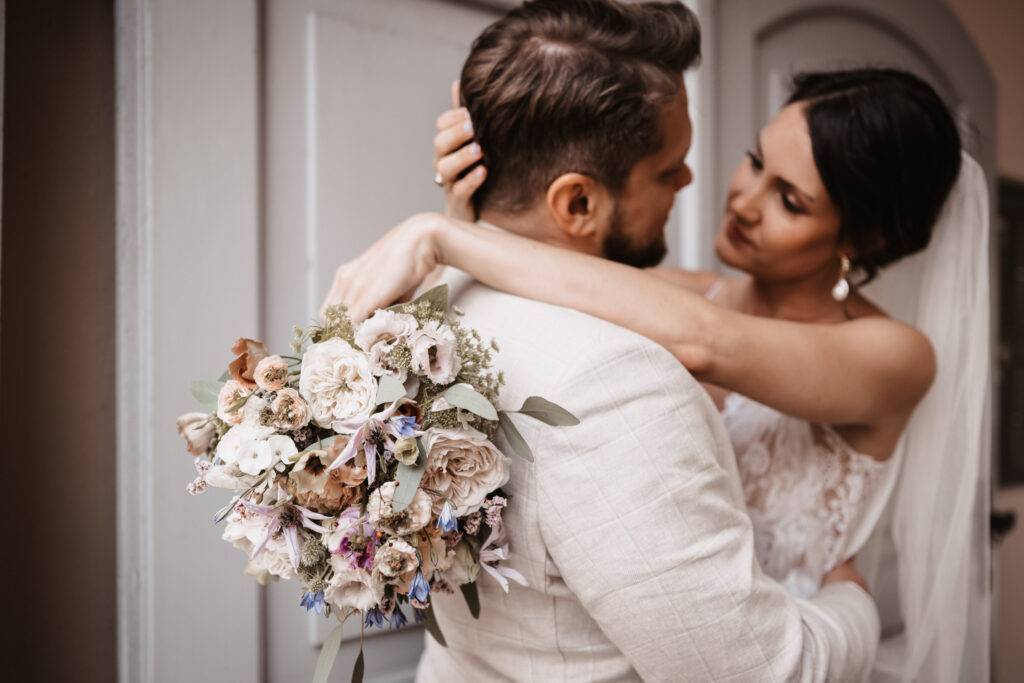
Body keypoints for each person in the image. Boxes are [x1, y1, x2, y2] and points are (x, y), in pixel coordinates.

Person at [327, 1, 885, 681]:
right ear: (579, 204)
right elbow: (763, 672)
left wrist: (454, 229)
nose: (691, 180)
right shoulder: (620, 380)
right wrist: (854, 601)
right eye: (667, 168)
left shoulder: (423, 303)